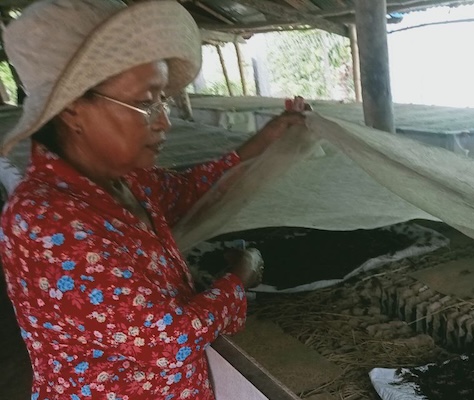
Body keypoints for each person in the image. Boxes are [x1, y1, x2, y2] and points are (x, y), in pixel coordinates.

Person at [0, 1, 306, 399]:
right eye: (146, 103)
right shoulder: (46, 222)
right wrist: (240, 278)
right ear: (73, 109)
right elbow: (169, 341)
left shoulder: (128, 181)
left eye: (163, 101)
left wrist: (268, 138)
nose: (164, 121)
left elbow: (194, 186)